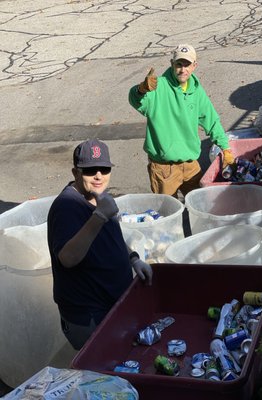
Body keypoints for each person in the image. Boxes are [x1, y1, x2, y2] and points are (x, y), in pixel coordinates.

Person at [47, 138, 153, 350]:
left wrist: (133, 259)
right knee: (102, 372)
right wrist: (100, 216)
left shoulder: (98, 197)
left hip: (111, 305)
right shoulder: (66, 207)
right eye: (90, 170)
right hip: (89, 316)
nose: (98, 175)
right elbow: (67, 258)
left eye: (104, 169)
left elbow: (110, 238)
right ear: (75, 173)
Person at [129, 43, 235, 197]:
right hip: (164, 168)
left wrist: (225, 148)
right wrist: (141, 90)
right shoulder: (158, 87)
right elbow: (136, 100)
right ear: (172, 64)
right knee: (167, 214)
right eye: (179, 64)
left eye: (187, 65)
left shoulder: (196, 90)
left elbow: (211, 121)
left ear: (194, 66)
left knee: (201, 208)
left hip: (190, 164)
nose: (183, 69)